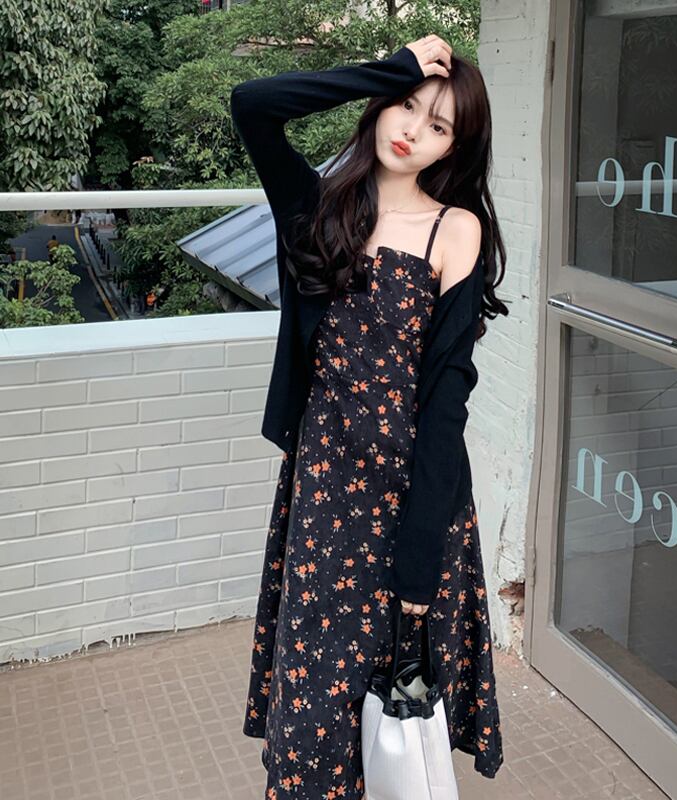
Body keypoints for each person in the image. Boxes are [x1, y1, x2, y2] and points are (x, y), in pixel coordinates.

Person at [231, 34, 508, 798]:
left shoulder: (456, 230)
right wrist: (392, 68)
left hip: (409, 505)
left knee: (391, 725)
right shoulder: (319, 206)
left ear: (457, 146)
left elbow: (446, 406)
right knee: (310, 725)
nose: (412, 130)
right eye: (405, 105)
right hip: (324, 500)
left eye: (439, 125)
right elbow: (253, 105)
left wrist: (420, 557)